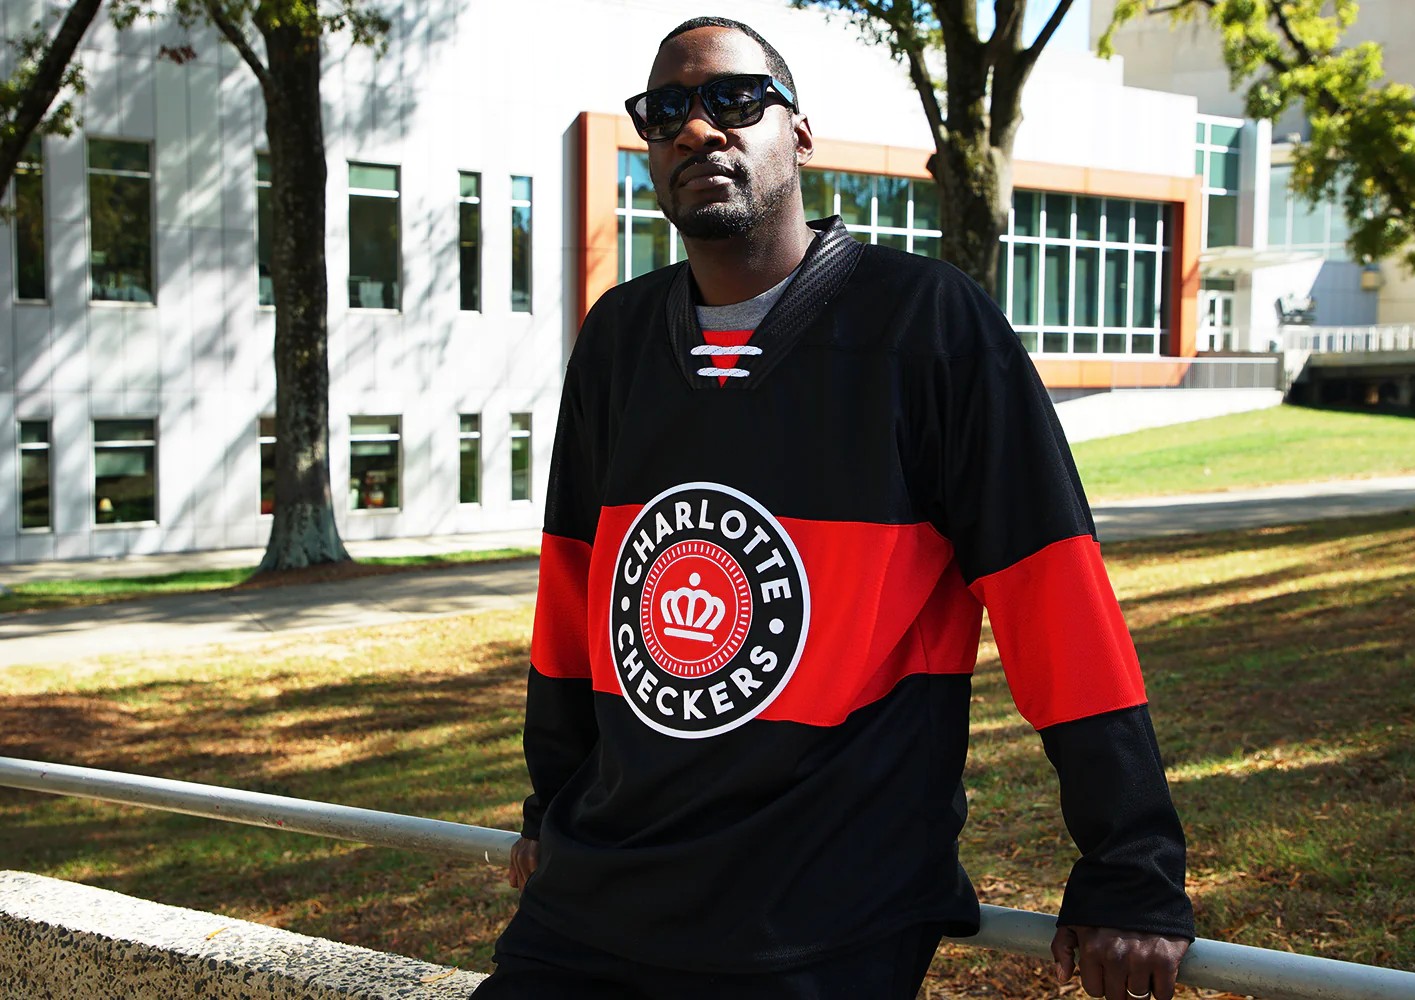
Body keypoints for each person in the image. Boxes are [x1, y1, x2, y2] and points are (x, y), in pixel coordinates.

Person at [470, 16, 1194, 1000]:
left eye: (735, 99)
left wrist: (1131, 864)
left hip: (825, 909)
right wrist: (549, 804)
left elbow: (1054, 601)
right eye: (665, 110)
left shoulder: (926, 324)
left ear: (801, 133)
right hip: (599, 894)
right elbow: (575, 596)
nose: (697, 129)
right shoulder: (618, 339)